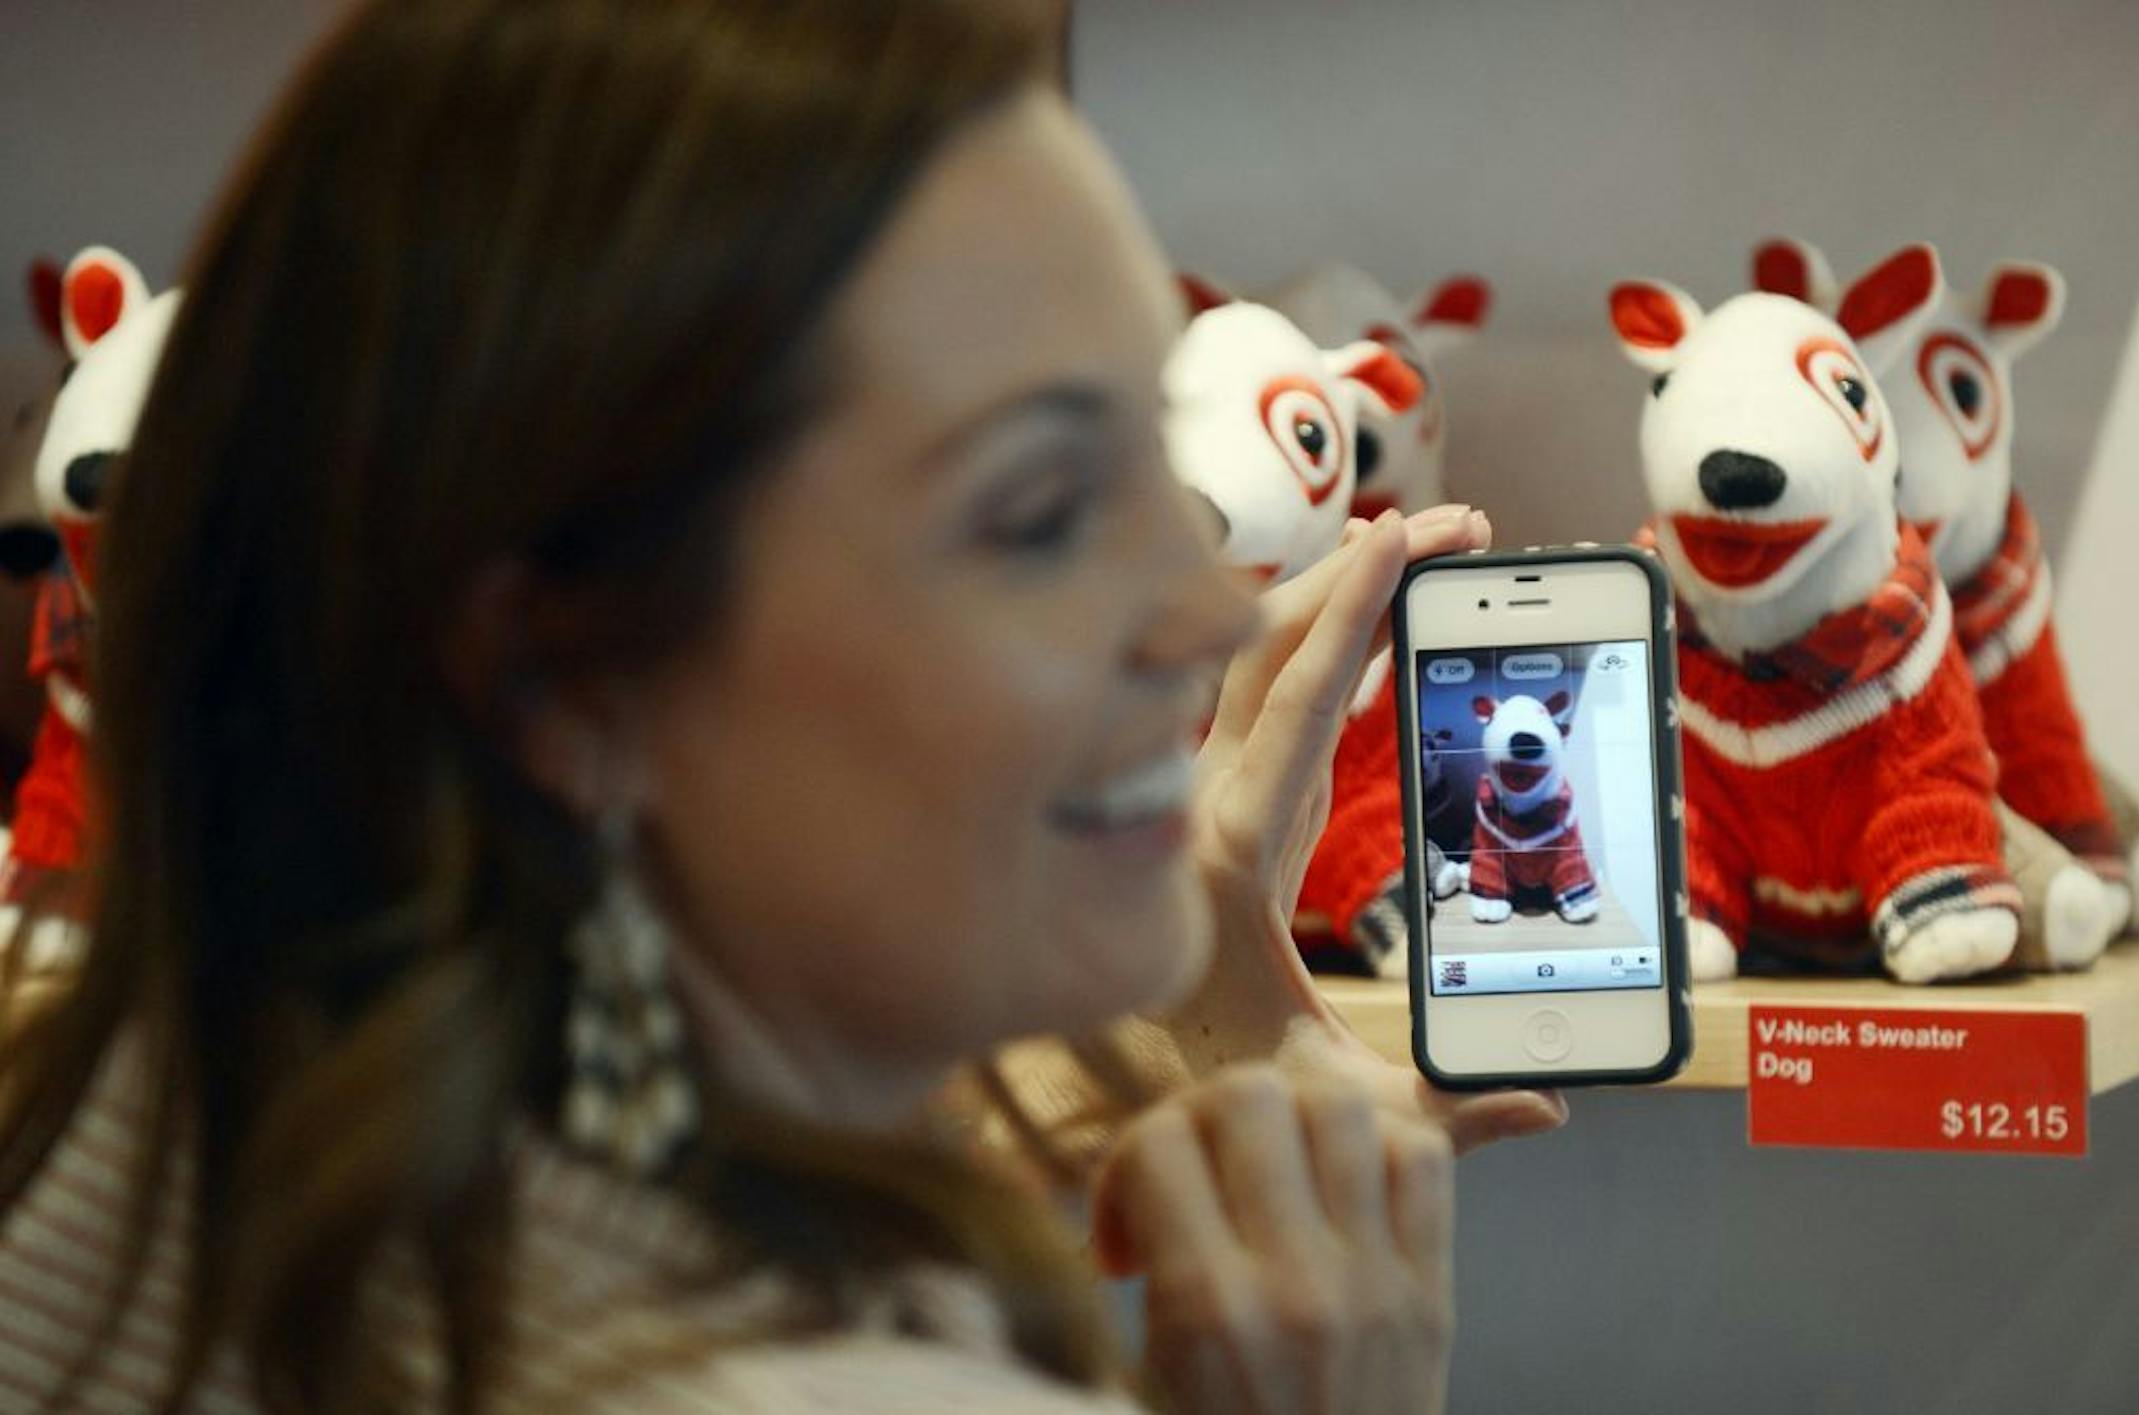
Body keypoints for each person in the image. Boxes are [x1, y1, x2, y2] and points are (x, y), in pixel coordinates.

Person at [0, 0, 1564, 1409]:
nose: (1211, 603)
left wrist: (970, 1123)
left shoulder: (124, 1152)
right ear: (563, 679)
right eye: (1038, 508)